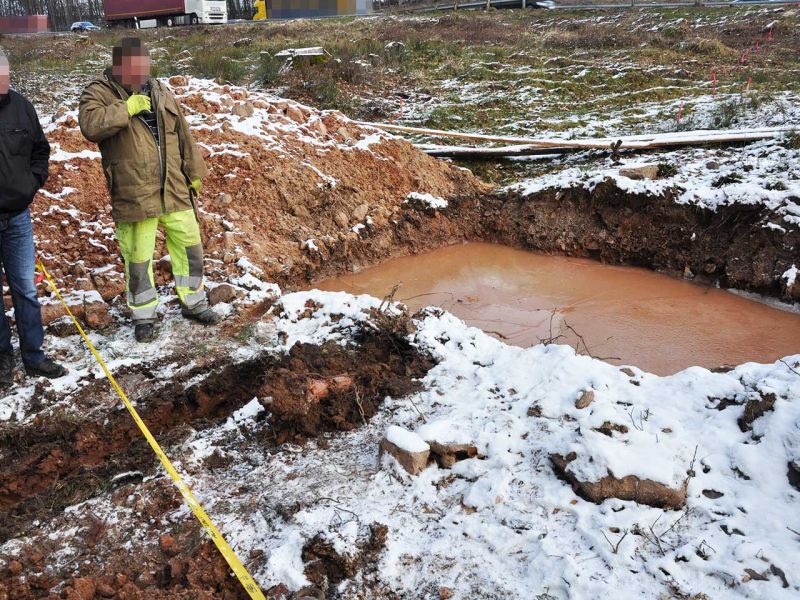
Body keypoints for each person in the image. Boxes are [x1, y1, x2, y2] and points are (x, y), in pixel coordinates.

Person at [78, 37, 219, 343]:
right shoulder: (98, 92)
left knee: (190, 246)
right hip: (135, 191)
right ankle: (144, 315)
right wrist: (125, 109)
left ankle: (194, 302)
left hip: (174, 186)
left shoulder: (159, 90)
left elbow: (183, 133)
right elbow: (90, 126)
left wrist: (194, 172)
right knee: (139, 257)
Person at [0, 49, 67, 386]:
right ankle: (2, 360)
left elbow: (41, 149)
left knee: (25, 288)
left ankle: (34, 357)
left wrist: (32, 183)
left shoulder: (21, 107)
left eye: (4, 74)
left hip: (17, 217)